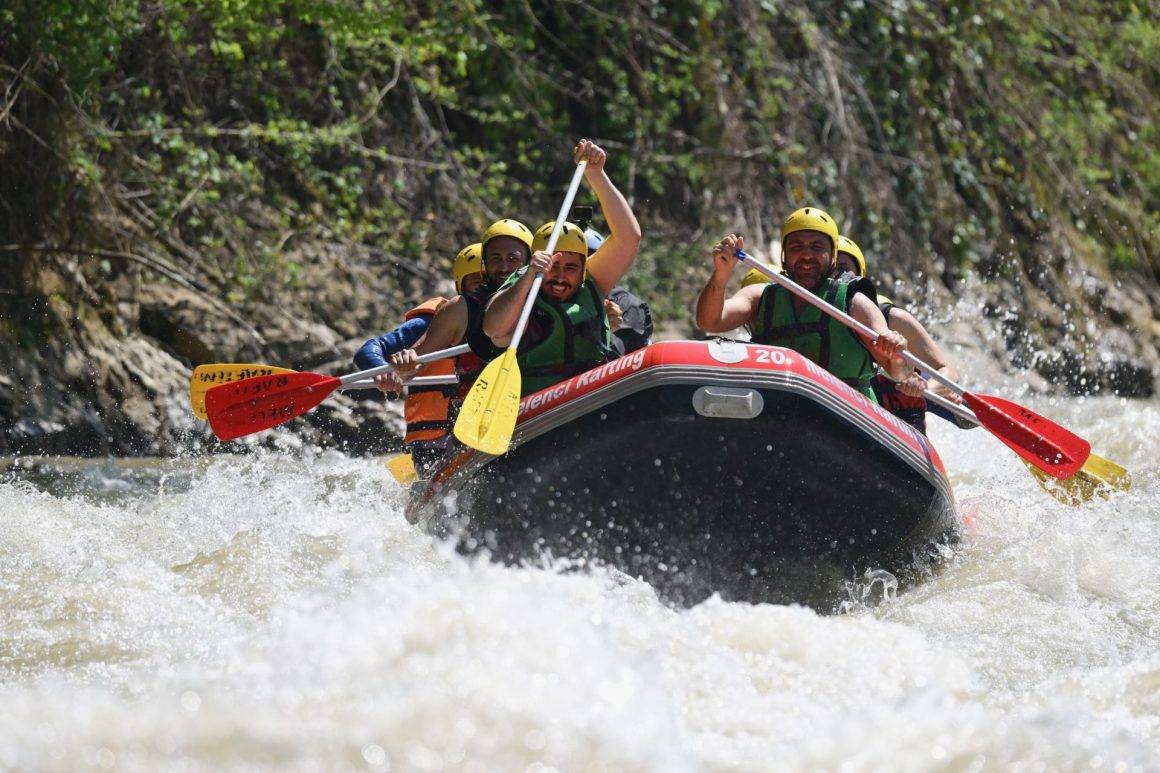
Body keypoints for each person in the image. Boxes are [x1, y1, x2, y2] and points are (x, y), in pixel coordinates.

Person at [694, 206, 911, 403]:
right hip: (782, 408)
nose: (806, 255)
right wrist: (721, 274)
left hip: (845, 413)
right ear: (784, 256)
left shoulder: (855, 303)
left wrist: (896, 351)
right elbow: (710, 321)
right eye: (796, 247)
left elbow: (898, 372)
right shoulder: (760, 297)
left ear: (833, 257)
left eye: (817, 247)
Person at [483, 139, 642, 394]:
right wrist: (530, 276)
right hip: (538, 398)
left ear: (582, 269)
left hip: (591, 392)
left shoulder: (591, 281)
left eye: (570, 268)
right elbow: (494, 328)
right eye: (553, 266)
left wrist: (596, 175)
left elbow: (629, 237)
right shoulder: (524, 283)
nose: (559, 277)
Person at [380, 219, 535, 472]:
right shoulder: (459, 310)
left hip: (534, 412)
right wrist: (400, 369)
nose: (504, 266)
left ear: (529, 262)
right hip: (475, 424)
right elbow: (416, 362)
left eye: (513, 258)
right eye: (495, 258)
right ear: (484, 264)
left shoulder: (548, 298)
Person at [832, 234, 962, 433]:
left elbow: (947, 371)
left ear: (860, 275)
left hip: (900, 419)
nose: (837, 277)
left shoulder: (893, 319)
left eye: (843, 269)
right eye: (830, 270)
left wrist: (927, 390)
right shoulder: (806, 311)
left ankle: (956, 412)